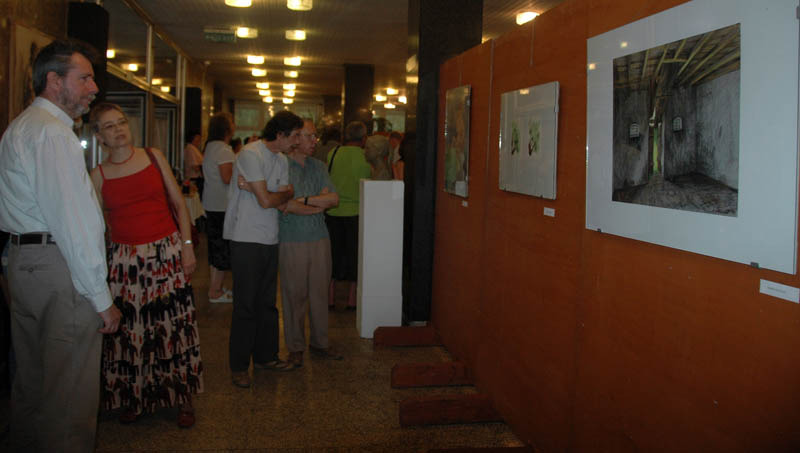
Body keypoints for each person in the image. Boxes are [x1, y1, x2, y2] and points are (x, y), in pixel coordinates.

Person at [0, 39, 121, 452]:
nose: (93, 89)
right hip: (57, 266)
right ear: (54, 81)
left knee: (33, 382)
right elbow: (73, 223)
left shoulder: (22, 126)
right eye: (84, 78)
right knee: (68, 393)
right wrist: (101, 296)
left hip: (24, 260)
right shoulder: (53, 134)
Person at [88, 102, 204, 428]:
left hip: (166, 252)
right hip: (125, 262)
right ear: (99, 137)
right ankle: (135, 397)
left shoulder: (153, 156)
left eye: (121, 122)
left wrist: (187, 247)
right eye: (109, 126)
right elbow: (97, 226)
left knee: (173, 327)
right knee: (132, 331)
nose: (118, 129)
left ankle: (182, 397)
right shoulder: (97, 175)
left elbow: (178, 203)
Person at [224, 111, 301, 388]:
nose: (297, 141)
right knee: (246, 304)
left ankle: (266, 357)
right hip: (245, 237)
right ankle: (239, 366)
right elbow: (268, 201)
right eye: (294, 136)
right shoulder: (250, 154)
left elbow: (282, 198)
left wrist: (274, 193)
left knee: (267, 303)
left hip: (270, 236)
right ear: (279, 134)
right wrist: (277, 193)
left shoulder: (281, 159)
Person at [279, 119, 342, 367]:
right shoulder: (281, 166)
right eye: (309, 136)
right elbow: (285, 205)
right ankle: (295, 347)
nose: (315, 141)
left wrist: (304, 200)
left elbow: (333, 199)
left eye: (315, 136)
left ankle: (320, 343)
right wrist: (317, 202)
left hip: (320, 238)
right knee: (294, 295)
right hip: (291, 238)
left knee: (319, 293)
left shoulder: (319, 166)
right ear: (295, 138)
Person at [325, 121, 372, 309]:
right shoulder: (366, 156)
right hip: (357, 212)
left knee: (333, 255)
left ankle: (330, 297)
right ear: (364, 138)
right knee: (355, 256)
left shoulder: (333, 153)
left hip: (333, 211)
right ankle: (352, 300)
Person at [202, 113, 235, 303]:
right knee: (221, 249)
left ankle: (216, 288)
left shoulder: (210, 146)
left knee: (215, 248)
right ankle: (215, 291)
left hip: (211, 203)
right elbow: (227, 178)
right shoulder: (224, 149)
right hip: (222, 205)